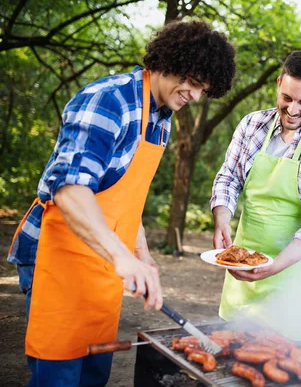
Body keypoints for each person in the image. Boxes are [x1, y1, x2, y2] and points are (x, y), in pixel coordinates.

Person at [7, 20, 236, 386]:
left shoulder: (162, 119)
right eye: (192, 82)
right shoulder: (109, 99)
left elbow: (127, 195)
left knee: (94, 372)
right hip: (60, 258)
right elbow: (70, 190)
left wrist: (140, 252)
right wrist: (122, 256)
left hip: (104, 266)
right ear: (169, 60)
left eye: (202, 89)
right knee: (60, 375)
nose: (194, 95)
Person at [210, 50, 301, 342]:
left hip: (291, 280)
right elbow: (228, 178)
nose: (293, 109)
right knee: (230, 361)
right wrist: (221, 216)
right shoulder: (251, 126)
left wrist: (272, 267)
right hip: (241, 271)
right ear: (278, 84)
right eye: (287, 98)